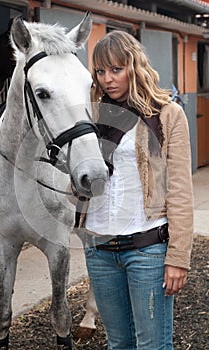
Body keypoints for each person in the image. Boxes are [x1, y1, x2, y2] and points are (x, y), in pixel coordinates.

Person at [72, 30, 194, 350]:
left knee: (151, 345)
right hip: (99, 250)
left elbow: (180, 190)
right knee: (119, 343)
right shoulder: (91, 115)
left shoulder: (168, 114)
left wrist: (178, 257)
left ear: (134, 66)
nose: (108, 79)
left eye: (116, 69)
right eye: (100, 71)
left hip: (147, 249)